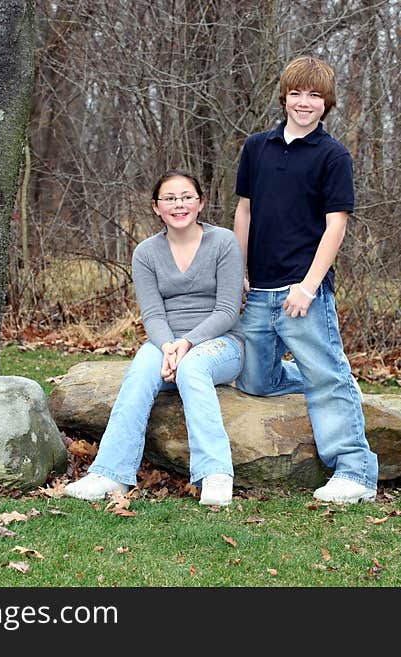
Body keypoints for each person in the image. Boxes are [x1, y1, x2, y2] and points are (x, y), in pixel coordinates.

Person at [233, 55, 379, 504]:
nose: (304, 102)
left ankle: (355, 471)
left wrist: (309, 286)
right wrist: (238, 271)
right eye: (296, 93)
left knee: (326, 379)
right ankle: (331, 374)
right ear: (284, 97)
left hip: (302, 290)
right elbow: (245, 211)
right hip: (257, 290)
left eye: (315, 95)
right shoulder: (257, 147)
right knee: (255, 381)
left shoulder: (333, 155)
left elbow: (336, 226)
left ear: (326, 103)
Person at [65, 170, 244, 506]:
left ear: (201, 203)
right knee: (139, 372)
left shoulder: (223, 243)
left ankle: (216, 474)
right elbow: (153, 315)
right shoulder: (146, 253)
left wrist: (185, 344)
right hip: (166, 342)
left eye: (187, 197)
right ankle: (111, 474)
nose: (179, 205)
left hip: (222, 342)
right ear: (156, 207)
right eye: (170, 199)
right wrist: (167, 347)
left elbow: (227, 311)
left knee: (192, 368)